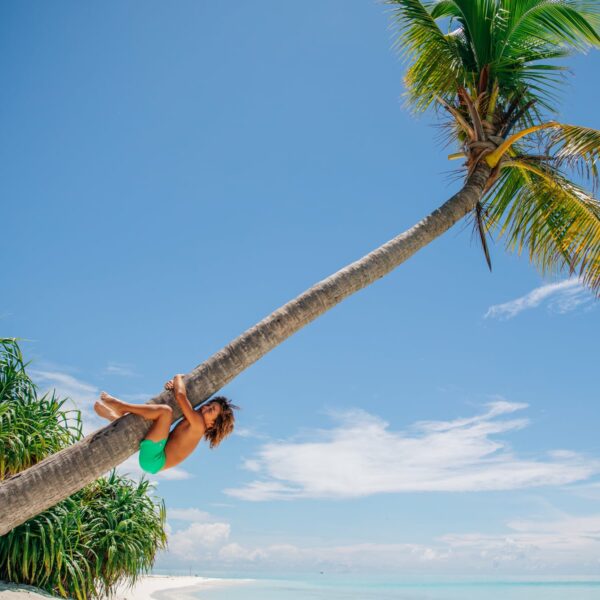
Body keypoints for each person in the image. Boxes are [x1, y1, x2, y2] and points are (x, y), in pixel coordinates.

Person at [94, 374, 237, 474]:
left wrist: (178, 377)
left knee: (165, 412)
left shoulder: (199, 425)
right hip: (155, 459)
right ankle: (113, 417)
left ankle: (123, 407)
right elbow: (179, 394)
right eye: (209, 404)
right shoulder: (196, 421)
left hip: (156, 459)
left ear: (212, 425)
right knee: (157, 420)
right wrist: (174, 385)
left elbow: (180, 396)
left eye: (211, 410)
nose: (205, 407)